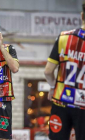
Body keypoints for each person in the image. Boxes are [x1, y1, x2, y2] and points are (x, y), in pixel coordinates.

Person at [44, 2, 85, 140]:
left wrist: (52, 87)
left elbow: (48, 71)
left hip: (61, 101)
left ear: (82, 15)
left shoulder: (63, 37)